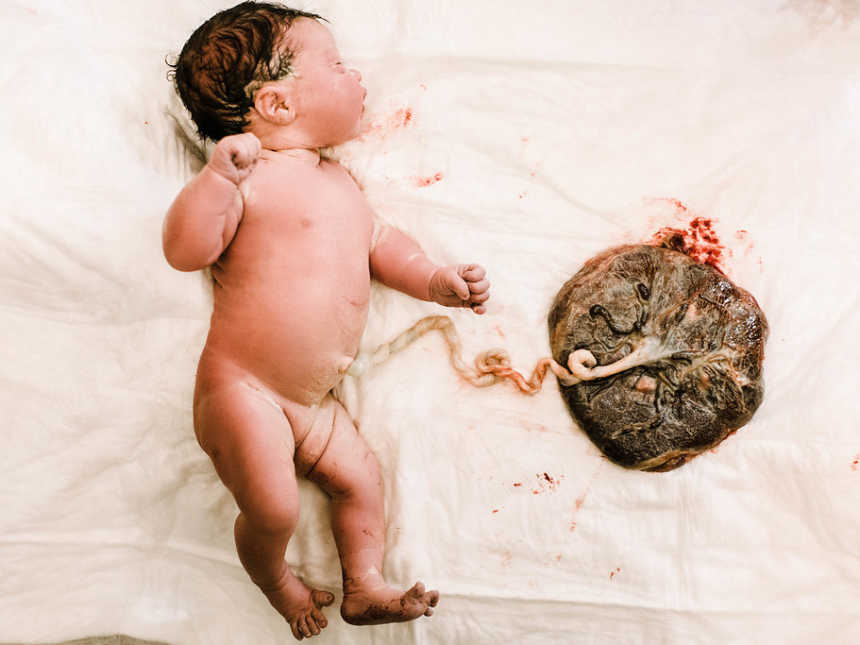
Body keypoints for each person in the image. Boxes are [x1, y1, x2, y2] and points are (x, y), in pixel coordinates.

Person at [163, 2, 490, 640]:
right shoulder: (248, 178)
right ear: (278, 104)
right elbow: (185, 251)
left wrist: (434, 281)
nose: (357, 74)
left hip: (314, 403)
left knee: (363, 481)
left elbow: (382, 243)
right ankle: (273, 576)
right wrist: (213, 180)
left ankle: (364, 584)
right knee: (275, 505)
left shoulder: (340, 181)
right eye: (337, 65)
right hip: (244, 390)